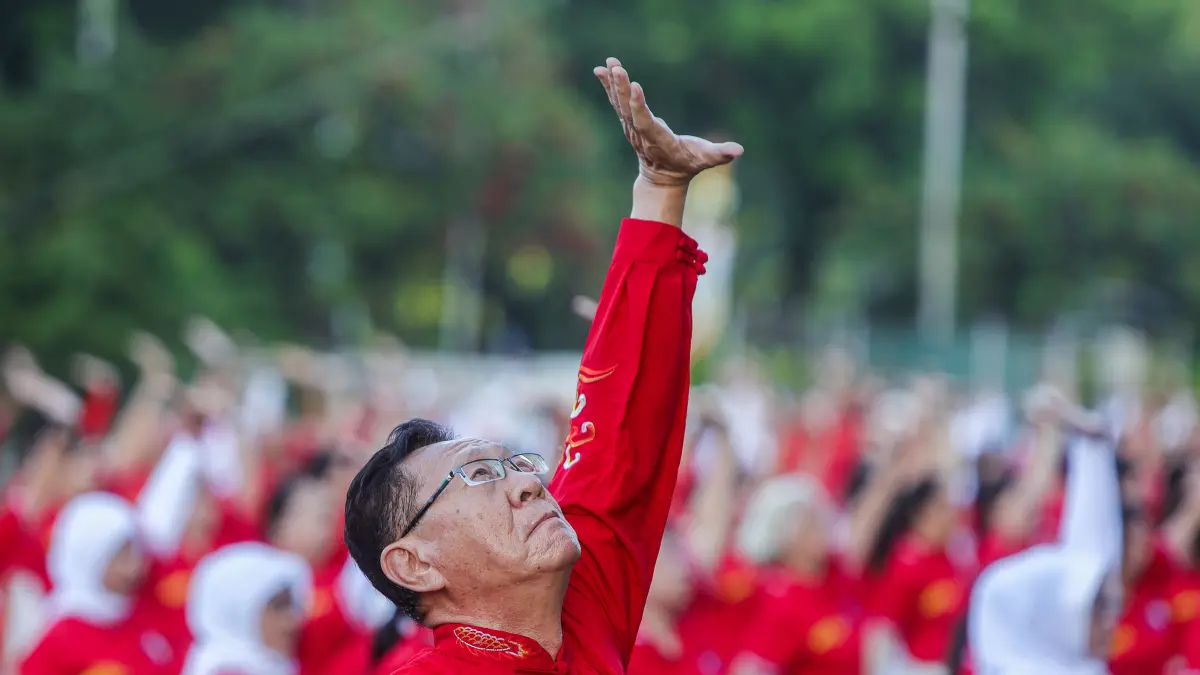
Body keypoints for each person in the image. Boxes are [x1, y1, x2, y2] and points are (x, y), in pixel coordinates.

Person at [342, 56, 742, 673]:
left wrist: (661, 189)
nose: (531, 483)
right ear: (414, 563)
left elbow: (618, 437)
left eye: (516, 462)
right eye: (479, 475)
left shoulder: (578, 610)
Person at [967, 418, 1125, 675]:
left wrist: (1092, 452)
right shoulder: (1002, 568)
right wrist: (1050, 434)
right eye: (1096, 608)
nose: (1110, 621)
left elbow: (1093, 550)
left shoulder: (1041, 555)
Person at [182, 542, 311, 675]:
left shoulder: (272, 666)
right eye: (278, 607)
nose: (293, 619)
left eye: (292, 605)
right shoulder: (226, 671)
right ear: (238, 613)